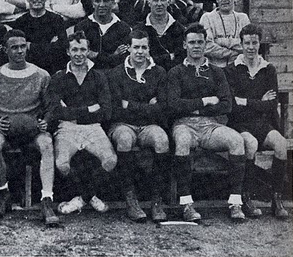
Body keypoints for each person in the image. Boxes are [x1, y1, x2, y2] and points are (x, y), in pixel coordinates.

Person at [167, 23, 246, 221]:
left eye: (200, 42)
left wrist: (197, 108)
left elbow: (226, 105)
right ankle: (186, 204)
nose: (196, 46)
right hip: (184, 124)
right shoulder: (176, 72)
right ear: (184, 44)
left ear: (205, 45)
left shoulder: (216, 72)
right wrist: (205, 100)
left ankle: (235, 202)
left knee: (236, 140)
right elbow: (174, 105)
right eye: (192, 42)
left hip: (211, 125)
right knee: (183, 140)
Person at [0, 29, 59, 226]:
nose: (19, 51)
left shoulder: (41, 75)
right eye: (14, 47)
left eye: (22, 46)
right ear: (6, 50)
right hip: (5, 127)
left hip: (32, 128)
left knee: (47, 143)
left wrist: (46, 121)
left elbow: (50, 107)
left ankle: (47, 200)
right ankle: (4, 194)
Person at [48, 31, 116, 215]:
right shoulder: (59, 77)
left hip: (93, 128)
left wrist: (71, 111)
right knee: (62, 164)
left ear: (88, 51)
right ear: (68, 52)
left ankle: (82, 198)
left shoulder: (99, 77)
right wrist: (88, 109)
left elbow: (106, 111)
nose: (79, 54)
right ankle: (90, 196)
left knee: (110, 160)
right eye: (75, 49)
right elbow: (56, 111)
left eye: (83, 49)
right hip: (66, 127)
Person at [224, 24, 289, 219]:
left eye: (255, 43)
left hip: (262, 123)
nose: (251, 47)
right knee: (250, 145)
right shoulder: (232, 70)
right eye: (247, 43)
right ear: (241, 44)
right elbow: (233, 106)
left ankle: (276, 200)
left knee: (281, 144)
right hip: (240, 124)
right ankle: (247, 198)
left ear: (259, 44)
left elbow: (271, 105)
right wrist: (258, 101)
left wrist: (246, 101)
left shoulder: (268, 69)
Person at [108, 29, 170, 222]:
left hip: (149, 126)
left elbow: (162, 108)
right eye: (136, 47)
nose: (140, 51)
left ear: (149, 48)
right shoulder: (117, 73)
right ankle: (130, 198)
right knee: (125, 139)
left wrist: (130, 104)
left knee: (161, 139)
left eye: (144, 47)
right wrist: (147, 105)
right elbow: (116, 109)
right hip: (122, 124)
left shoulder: (159, 72)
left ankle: (156, 199)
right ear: (129, 49)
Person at [11, 0, 68, 74]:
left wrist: (31, 46)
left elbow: (61, 50)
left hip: (53, 70)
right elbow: (19, 53)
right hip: (27, 72)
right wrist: (50, 46)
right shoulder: (20, 23)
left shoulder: (56, 20)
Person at [74, 0, 131, 70]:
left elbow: (121, 60)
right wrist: (113, 56)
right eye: (97, 1)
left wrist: (96, 55)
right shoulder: (82, 27)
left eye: (106, 0)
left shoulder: (124, 28)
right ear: (93, 3)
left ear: (112, 3)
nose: (101, 5)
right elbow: (81, 57)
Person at [133, 0, 185, 71]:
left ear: (168, 2)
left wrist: (154, 58)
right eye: (155, 0)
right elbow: (140, 60)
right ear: (149, 3)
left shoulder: (180, 29)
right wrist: (170, 56)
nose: (159, 4)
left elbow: (181, 59)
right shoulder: (139, 30)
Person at [199, 0, 250, 67]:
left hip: (239, 68)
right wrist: (232, 52)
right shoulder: (207, 18)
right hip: (214, 69)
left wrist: (220, 43)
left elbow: (247, 45)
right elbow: (207, 46)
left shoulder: (243, 18)